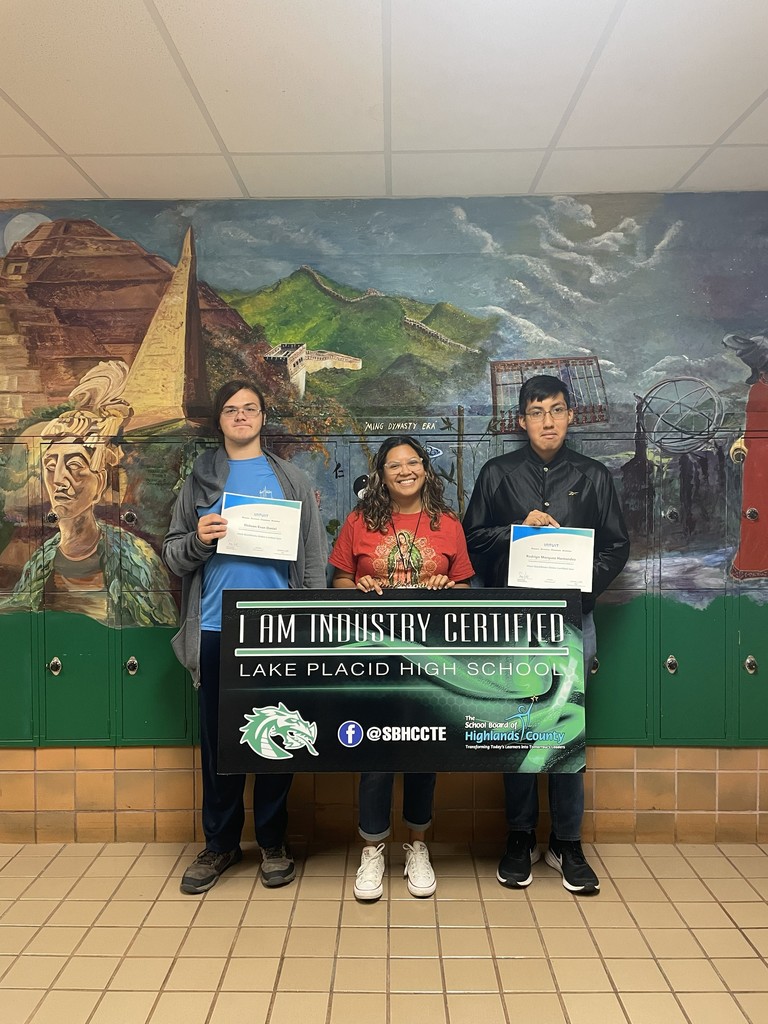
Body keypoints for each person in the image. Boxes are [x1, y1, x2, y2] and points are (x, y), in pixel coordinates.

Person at [463, 375, 629, 895]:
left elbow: (616, 547)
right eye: (537, 412)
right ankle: (518, 838)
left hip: (571, 621)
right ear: (521, 420)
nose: (548, 421)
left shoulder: (595, 475)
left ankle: (566, 841)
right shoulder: (496, 474)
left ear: (571, 415)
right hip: (512, 623)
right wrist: (518, 531)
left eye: (557, 410)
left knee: (565, 728)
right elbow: (471, 540)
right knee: (517, 730)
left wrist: (582, 587)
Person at [163, 379, 328, 895]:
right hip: (215, 627)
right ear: (220, 421)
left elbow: (314, 561)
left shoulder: (292, 480)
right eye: (231, 410)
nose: (241, 416)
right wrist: (199, 539)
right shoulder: (200, 479)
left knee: (277, 736)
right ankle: (220, 843)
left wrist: (311, 625)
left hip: (277, 630)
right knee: (218, 744)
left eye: (250, 409)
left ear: (262, 417)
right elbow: (172, 554)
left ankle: (273, 841)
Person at [330, 434, 474, 900]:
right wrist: (360, 584)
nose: (405, 470)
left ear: (426, 471)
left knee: (423, 752)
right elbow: (338, 582)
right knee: (375, 754)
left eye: (413, 462)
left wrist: (445, 585)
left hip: (431, 662)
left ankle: (417, 845)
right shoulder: (358, 520)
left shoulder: (448, 523)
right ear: (382, 474)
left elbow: (466, 592)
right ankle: (372, 848)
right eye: (395, 464)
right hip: (373, 658)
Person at [2, 360, 176, 626]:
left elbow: (156, 630)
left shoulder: (137, 559)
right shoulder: (41, 560)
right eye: (50, 466)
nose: (59, 479)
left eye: (74, 466)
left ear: (101, 481)